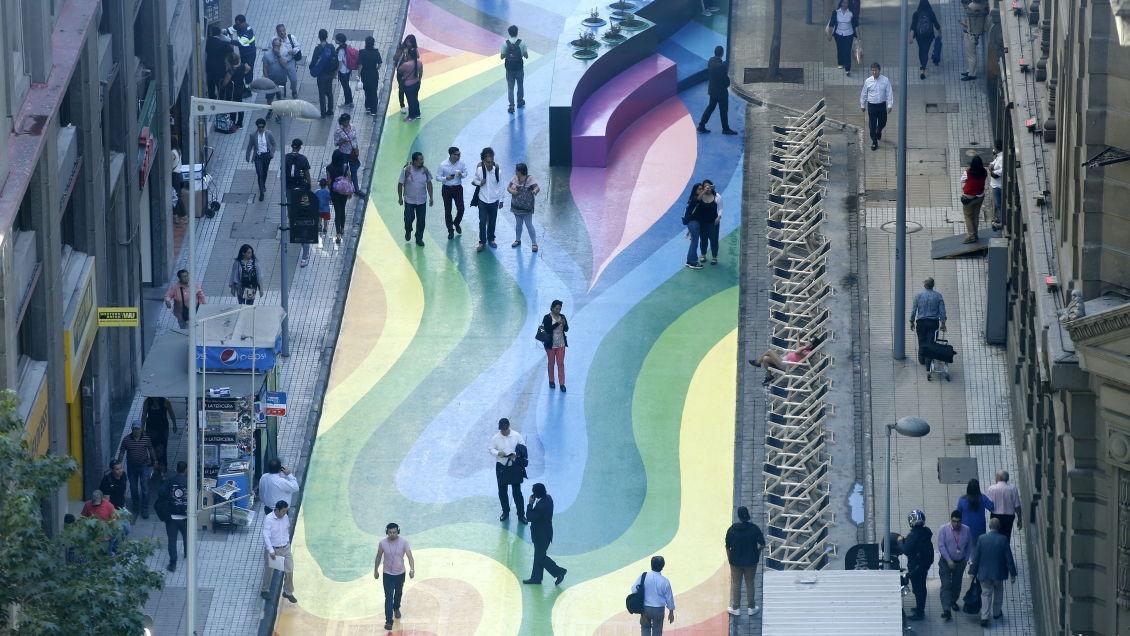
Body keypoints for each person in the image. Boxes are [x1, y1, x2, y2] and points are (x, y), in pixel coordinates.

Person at [969, 517, 1017, 627]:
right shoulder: (1003, 539)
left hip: (984, 573)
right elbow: (1009, 558)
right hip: (998, 573)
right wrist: (1013, 574)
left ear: (989, 526)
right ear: (999, 527)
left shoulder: (981, 539)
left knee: (986, 593)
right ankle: (996, 612)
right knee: (998, 592)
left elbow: (976, 557)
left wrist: (974, 571)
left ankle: (985, 617)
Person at [374, 523, 415, 631]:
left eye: (394, 532)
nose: (392, 535)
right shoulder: (382, 543)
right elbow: (378, 556)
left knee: (398, 592)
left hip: (400, 573)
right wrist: (376, 570)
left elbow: (410, 556)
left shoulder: (404, 542)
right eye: (390, 532)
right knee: (388, 597)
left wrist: (412, 570)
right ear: (387, 532)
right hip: (387, 574)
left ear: (398, 532)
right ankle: (388, 621)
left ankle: (396, 608)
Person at [523, 483, 567, 585]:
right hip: (545, 533)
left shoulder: (540, 507)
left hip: (541, 536)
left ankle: (559, 571)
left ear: (535, 494)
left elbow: (529, 517)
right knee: (538, 555)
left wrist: (530, 504)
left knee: (541, 557)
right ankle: (536, 577)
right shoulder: (548, 498)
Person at [724, 506, 765, 616]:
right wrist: (757, 552)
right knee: (750, 584)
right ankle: (751, 607)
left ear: (739, 517)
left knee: (737, 585)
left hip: (735, 562)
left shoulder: (732, 530)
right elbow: (762, 544)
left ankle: (736, 608)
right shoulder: (754, 529)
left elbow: (727, 547)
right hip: (751, 562)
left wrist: (730, 559)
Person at [896, 510, 934, 621]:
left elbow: (906, 551)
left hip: (915, 566)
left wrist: (900, 541)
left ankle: (919, 613)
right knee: (921, 588)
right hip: (924, 565)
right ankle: (919, 608)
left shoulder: (912, 535)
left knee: (918, 589)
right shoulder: (927, 531)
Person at [489, 418, 526, 523]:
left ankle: (521, 514)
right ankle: (505, 512)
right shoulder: (496, 437)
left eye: (505, 429)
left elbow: (523, 447)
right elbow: (490, 448)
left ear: (509, 426)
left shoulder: (516, 435)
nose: (503, 432)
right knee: (502, 492)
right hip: (501, 466)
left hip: (514, 466)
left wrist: (516, 454)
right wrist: (497, 453)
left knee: (517, 492)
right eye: (501, 430)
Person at [937, 509, 972, 620]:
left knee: (957, 584)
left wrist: (966, 559)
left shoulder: (966, 530)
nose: (956, 524)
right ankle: (946, 609)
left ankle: (953, 600)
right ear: (950, 520)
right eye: (954, 521)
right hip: (946, 562)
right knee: (946, 584)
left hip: (960, 562)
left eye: (958, 521)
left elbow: (969, 545)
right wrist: (948, 560)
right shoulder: (943, 529)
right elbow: (941, 545)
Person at [117, 422, 157, 518]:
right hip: (132, 467)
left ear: (141, 429)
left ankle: (144, 507)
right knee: (133, 487)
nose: (136, 430)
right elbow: (122, 452)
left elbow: (151, 449)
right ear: (132, 429)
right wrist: (118, 463)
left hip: (144, 466)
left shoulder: (146, 439)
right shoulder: (126, 440)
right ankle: (136, 502)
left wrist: (155, 461)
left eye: (138, 429)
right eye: (135, 429)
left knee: (145, 488)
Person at [261, 500, 297, 603]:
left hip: (285, 548)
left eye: (286, 511)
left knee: (289, 569)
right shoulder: (269, 519)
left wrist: (287, 541)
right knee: (269, 571)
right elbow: (266, 535)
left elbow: (286, 530)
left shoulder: (285, 517)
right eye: (283, 511)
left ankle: (288, 592)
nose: (285, 513)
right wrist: (271, 551)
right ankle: (264, 590)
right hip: (273, 550)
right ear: (277, 510)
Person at [631, 556, 675, 635]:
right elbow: (669, 599)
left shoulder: (643, 576)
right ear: (663, 566)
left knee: (645, 627)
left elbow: (634, 589)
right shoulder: (665, 581)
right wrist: (671, 613)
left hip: (645, 608)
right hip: (659, 610)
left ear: (651, 564)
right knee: (657, 631)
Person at [697, 46, 736, 135]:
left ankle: (701, 126)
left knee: (710, 108)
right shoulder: (721, 66)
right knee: (723, 110)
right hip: (721, 93)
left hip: (713, 91)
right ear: (722, 53)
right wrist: (726, 84)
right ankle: (725, 128)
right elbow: (726, 80)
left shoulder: (711, 61)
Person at [398, 151, 433, 246]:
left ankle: (419, 238)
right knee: (408, 218)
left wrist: (431, 197)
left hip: (422, 200)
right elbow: (400, 184)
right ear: (415, 161)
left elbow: (429, 183)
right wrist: (400, 198)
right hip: (409, 200)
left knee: (421, 220)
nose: (423, 161)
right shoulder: (406, 170)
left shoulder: (425, 171)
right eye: (421, 159)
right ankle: (408, 230)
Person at [749, 337, 818, 386]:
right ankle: (769, 377)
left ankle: (757, 363)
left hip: (786, 365)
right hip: (784, 361)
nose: (808, 341)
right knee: (765, 358)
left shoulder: (808, 353)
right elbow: (798, 348)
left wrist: (805, 347)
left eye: (810, 341)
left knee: (769, 351)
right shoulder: (807, 350)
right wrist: (798, 336)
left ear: (811, 345)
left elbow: (797, 352)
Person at [909, 277, 947, 365]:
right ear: (933, 285)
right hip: (933, 323)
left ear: (924, 285)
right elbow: (942, 311)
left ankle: (922, 359)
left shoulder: (918, 295)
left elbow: (914, 309)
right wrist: (943, 323)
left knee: (921, 340)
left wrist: (911, 321)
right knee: (931, 342)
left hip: (921, 322)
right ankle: (928, 359)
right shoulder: (938, 296)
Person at [160, 461, 189, 572]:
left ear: (176, 469)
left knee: (172, 539)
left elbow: (161, 493)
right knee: (187, 536)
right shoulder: (189, 482)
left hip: (172, 516)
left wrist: (170, 497)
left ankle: (173, 563)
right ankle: (187, 553)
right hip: (186, 515)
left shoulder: (170, 481)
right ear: (186, 470)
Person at [473, 148, 503, 252]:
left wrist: (501, 200)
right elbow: (474, 180)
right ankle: (482, 242)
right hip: (483, 199)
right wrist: (480, 182)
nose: (490, 164)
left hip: (494, 200)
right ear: (484, 161)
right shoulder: (480, 170)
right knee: (482, 222)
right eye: (488, 162)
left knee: (492, 221)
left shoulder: (498, 172)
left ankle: (491, 239)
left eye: (491, 162)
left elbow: (501, 186)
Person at [141, 396, 177, 478]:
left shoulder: (165, 402)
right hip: (151, 429)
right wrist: (142, 428)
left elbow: (171, 413)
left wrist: (174, 424)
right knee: (152, 447)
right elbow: (144, 416)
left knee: (162, 448)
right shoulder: (147, 402)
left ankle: (163, 470)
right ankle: (155, 465)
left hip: (162, 428)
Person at [860, 63, 893, 151]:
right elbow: (864, 94)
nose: (874, 72)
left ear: (879, 70)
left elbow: (889, 93)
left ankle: (879, 130)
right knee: (872, 125)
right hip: (872, 106)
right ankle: (874, 141)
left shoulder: (885, 80)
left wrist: (890, 105)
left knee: (883, 122)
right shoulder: (868, 81)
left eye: (876, 70)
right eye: (872, 70)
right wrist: (862, 105)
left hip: (882, 105)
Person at [507, 163, 540, 251]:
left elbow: (537, 187)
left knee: (529, 225)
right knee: (518, 224)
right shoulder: (514, 178)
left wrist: (535, 191)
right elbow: (509, 187)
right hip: (516, 207)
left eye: (516, 170)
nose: (515, 171)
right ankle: (518, 240)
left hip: (526, 208)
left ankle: (534, 243)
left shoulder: (530, 179)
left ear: (520, 172)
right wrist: (513, 192)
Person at [437, 147, 467, 240]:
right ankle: (450, 230)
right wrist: (446, 178)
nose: (459, 155)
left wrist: (461, 175)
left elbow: (466, 173)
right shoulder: (443, 165)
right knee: (448, 210)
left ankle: (456, 222)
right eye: (457, 154)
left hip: (458, 188)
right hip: (447, 189)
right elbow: (438, 177)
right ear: (452, 155)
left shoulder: (461, 162)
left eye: (459, 154)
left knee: (461, 208)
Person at [244, 118, 276, 201]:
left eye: (262, 127)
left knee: (264, 172)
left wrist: (271, 153)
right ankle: (261, 192)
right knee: (260, 173)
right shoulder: (253, 135)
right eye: (259, 127)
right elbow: (250, 146)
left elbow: (273, 143)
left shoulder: (268, 133)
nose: (261, 129)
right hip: (258, 156)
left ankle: (263, 185)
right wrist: (248, 156)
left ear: (264, 126)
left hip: (266, 155)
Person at [986, 470, 1022, 540]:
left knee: (995, 535)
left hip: (995, 516)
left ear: (999, 478)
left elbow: (987, 503)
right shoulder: (1013, 489)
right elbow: (1017, 505)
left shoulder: (991, 488)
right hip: (1009, 517)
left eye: (996, 476)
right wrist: (1019, 519)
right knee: (1006, 535)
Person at [960, 155, 988, 243]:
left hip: (969, 197)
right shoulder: (984, 172)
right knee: (976, 215)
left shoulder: (968, 172)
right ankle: (975, 234)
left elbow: (962, 180)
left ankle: (971, 236)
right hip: (980, 196)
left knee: (968, 217)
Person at [827, 0, 860, 76]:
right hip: (838, 34)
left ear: (848, 4)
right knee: (840, 48)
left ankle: (847, 69)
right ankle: (840, 62)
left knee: (847, 51)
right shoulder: (836, 12)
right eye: (843, 2)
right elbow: (832, 24)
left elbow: (856, 25)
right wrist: (829, 35)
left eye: (846, 3)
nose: (845, 4)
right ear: (841, 3)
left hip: (849, 34)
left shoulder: (851, 13)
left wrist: (858, 36)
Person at [541, 300, 568, 391]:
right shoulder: (547, 317)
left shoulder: (562, 317)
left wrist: (564, 324)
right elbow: (547, 329)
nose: (558, 311)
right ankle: (551, 381)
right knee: (551, 362)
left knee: (560, 363)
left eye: (559, 309)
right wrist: (558, 323)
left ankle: (562, 383)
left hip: (561, 343)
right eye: (556, 308)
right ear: (552, 308)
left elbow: (566, 329)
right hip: (550, 344)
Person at [326, 150, 352, 245]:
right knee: (343, 209)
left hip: (334, 192)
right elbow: (349, 178)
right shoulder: (345, 166)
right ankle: (342, 228)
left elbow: (329, 181)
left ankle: (338, 234)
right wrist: (349, 191)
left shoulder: (329, 167)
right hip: (344, 192)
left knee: (337, 212)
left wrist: (330, 190)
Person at [909, 0, 940, 79]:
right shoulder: (931, 13)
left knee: (921, 49)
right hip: (929, 36)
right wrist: (940, 33)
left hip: (919, 36)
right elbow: (936, 24)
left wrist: (911, 37)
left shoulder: (916, 14)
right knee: (925, 51)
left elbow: (913, 26)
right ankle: (923, 69)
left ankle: (921, 64)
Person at [959, 0, 989, 80]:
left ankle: (972, 74)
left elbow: (972, 25)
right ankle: (969, 71)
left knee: (971, 55)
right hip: (968, 33)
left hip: (971, 35)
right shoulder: (971, 10)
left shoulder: (972, 12)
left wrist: (963, 23)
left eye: (963, 4)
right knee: (969, 54)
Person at [334, 113, 363, 196]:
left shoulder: (352, 127)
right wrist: (343, 141)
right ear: (341, 122)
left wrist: (356, 149)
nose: (346, 124)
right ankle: (343, 188)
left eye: (347, 122)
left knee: (354, 171)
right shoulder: (338, 131)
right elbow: (336, 143)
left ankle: (357, 189)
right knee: (344, 171)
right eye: (345, 122)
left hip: (353, 153)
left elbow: (355, 139)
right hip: (344, 153)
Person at [501, 25, 528, 114]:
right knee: (520, 85)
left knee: (510, 87)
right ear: (517, 32)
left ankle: (511, 106)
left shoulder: (506, 43)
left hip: (509, 69)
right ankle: (520, 101)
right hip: (519, 68)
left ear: (509, 33)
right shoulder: (522, 42)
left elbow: (502, 56)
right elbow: (526, 56)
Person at [312, 30, 339, 118]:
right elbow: (336, 59)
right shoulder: (331, 47)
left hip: (321, 74)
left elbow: (313, 61)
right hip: (330, 73)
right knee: (329, 91)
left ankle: (323, 113)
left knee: (322, 93)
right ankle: (330, 110)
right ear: (327, 36)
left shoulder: (318, 49)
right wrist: (335, 70)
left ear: (319, 37)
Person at [224, 51, 250, 129]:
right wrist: (243, 74)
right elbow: (249, 68)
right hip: (240, 89)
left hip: (232, 90)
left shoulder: (231, 70)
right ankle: (240, 123)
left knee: (233, 107)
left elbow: (225, 82)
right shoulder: (242, 67)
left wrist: (222, 86)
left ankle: (233, 122)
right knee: (240, 105)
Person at [205, 27, 233, 99]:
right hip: (220, 69)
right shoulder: (223, 44)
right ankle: (221, 101)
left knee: (211, 87)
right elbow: (231, 50)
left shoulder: (208, 42)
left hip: (210, 69)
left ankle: (212, 101)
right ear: (220, 34)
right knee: (221, 87)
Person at [697, 181, 721, 264]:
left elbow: (720, 208)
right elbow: (697, 200)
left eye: (709, 186)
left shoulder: (717, 196)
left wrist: (718, 217)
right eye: (705, 187)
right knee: (703, 239)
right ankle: (703, 254)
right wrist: (703, 192)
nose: (708, 189)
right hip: (703, 222)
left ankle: (714, 256)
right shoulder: (701, 196)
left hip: (713, 222)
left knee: (714, 239)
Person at [393, 35, 418, 115]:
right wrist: (399, 50)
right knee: (401, 88)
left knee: (410, 89)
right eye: (407, 41)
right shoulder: (401, 49)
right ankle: (402, 105)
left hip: (410, 72)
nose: (408, 43)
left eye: (410, 42)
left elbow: (417, 57)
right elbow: (395, 58)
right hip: (401, 72)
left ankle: (411, 104)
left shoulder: (414, 50)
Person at [358, 36, 383, 116]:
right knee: (373, 92)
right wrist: (376, 68)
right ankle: (374, 110)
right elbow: (379, 64)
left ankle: (368, 106)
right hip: (373, 74)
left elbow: (360, 65)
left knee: (367, 90)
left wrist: (359, 75)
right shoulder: (376, 52)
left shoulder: (362, 52)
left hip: (365, 74)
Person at [275, 24, 301, 99]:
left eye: (283, 30)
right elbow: (271, 49)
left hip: (290, 62)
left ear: (285, 30)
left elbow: (298, 47)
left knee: (294, 79)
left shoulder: (291, 37)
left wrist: (293, 51)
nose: (282, 32)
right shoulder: (275, 40)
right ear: (277, 32)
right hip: (280, 63)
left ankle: (294, 90)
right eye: (280, 31)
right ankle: (282, 95)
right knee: (281, 81)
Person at [398, 48, 423, 122]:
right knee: (415, 98)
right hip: (417, 83)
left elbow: (399, 70)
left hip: (408, 85)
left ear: (409, 55)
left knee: (410, 100)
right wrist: (419, 79)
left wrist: (405, 60)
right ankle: (417, 113)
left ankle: (411, 116)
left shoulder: (406, 64)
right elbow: (421, 72)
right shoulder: (419, 62)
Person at [261, 38, 289, 105]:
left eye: (278, 46)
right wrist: (267, 79)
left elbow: (284, 64)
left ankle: (279, 113)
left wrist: (278, 55)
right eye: (275, 45)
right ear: (272, 45)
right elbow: (264, 67)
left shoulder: (284, 52)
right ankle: (270, 110)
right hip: (271, 81)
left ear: (280, 45)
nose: (276, 47)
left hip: (281, 80)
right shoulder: (267, 54)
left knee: (280, 98)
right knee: (269, 98)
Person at [683, 183, 703, 267]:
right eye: (699, 189)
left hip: (692, 223)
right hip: (694, 223)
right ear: (695, 190)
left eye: (702, 188)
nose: (701, 190)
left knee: (693, 243)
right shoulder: (694, 198)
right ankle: (693, 262)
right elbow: (697, 199)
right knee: (694, 243)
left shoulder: (692, 199)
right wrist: (705, 191)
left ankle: (689, 260)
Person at [232, 15, 257, 84]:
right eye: (236, 24)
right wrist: (225, 31)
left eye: (238, 24)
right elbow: (232, 29)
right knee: (243, 68)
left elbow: (240, 43)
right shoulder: (238, 25)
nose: (237, 25)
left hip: (249, 54)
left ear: (243, 23)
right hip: (243, 53)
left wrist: (228, 40)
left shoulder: (247, 31)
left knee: (248, 69)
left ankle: (248, 88)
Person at [334, 33, 354, 108]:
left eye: (336, 39)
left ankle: (347, 102)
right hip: (348, 69)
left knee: (345, 86)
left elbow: (340, 62)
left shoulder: (340, 50)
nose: (335, 40)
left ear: (339, 41)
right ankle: (350, 101)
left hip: (343, 71)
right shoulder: (347, 46)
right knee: (347, 85)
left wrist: (336, 71)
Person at [990, 140, 1004, 230]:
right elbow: (994, 162)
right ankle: (999, 217)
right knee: (997, 203)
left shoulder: (1002, 158)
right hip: (995, 184)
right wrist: (991, 165)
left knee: (999, 205)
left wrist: (994, 172)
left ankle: (1001, 221)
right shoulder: (999, 156)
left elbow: (1002, 170)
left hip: (998, 186)